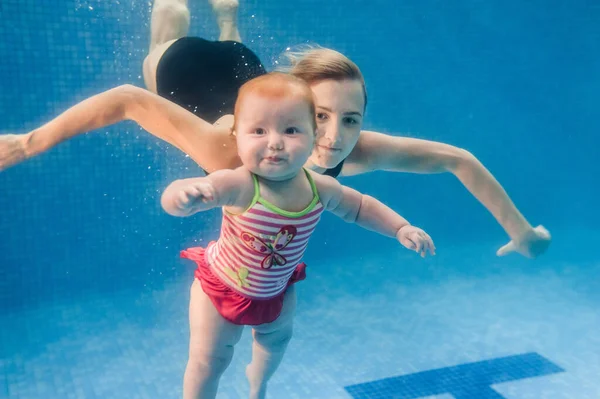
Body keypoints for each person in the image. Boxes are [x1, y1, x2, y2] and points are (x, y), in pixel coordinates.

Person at [0, 0, 550, 258]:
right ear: (299, 116)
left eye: (351, 121)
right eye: (320, 119)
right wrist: (26, 143)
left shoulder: (348, 143)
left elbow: (457, 159)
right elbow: (125, 100)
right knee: (163, 30)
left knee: (238, 50)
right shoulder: (222, 148)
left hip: (247, 68)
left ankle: (229, 17)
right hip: (187, 73)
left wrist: (521, 231)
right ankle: (217, 15)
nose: (334, 139)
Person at [164, 72, 435, 399]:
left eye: (291, 130)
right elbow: (185, 196)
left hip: (275, 291)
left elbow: (360, 207)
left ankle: (257, 384)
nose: (275, 142)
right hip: (221, 287)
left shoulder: (320, 188)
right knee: (210, 359)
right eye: (259, 131)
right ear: (237, 135)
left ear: (313, 136)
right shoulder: (239, 183)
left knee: (276, 342)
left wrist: (400, 228)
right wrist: (183, 196)